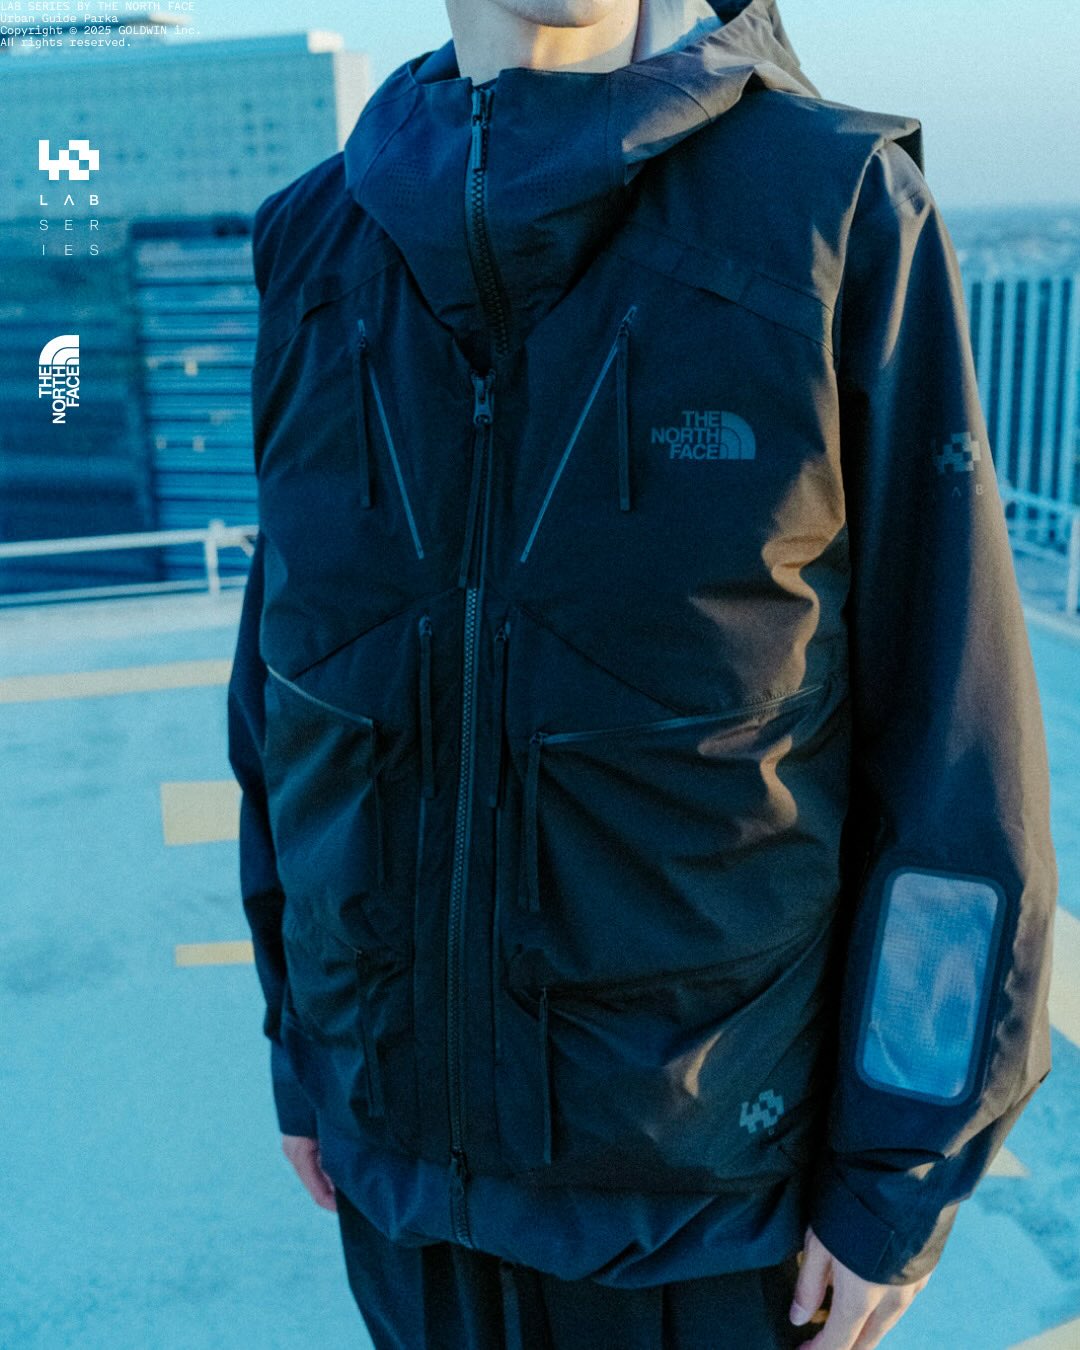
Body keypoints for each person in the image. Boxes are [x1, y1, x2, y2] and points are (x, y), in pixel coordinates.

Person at [226, 0, 1058, 1345]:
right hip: (401, 1194)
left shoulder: (832, 208)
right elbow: (290, 697)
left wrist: (896, 1173)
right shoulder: (312, 241)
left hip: (713, 1215)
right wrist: (300, 1049)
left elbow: (955, 750)